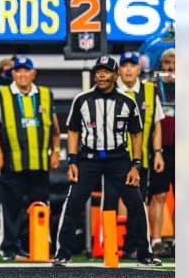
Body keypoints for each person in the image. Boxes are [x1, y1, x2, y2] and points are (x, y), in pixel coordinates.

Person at [53, 56, 161, 267]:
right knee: (73, 202)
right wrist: (72, 161)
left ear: (115, 75)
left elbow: (137, 134)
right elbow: (73, 131)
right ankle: (63, 253)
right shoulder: (82, 100)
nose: (101, 75)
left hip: (119, 159)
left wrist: (136, 165)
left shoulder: (127, 102)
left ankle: (144, 254)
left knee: (136, 204)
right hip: (89, 158)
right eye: (98, 71)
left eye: (106, 71)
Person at [0, 56, 61, 260]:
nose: (22, 74)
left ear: (33, 73)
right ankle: (9, 249)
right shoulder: (3, 94)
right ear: (12, 74)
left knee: (41, 205)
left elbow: (55, 128)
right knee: (11, 207)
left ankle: (40, 247)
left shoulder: (45, 94)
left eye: (26, 70)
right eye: (18, 71)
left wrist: (56, 152)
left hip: (39, 162)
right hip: (12, 162)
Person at [115, 51, 165, 258]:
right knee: (119, 199)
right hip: (114, 158)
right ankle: (120, 243)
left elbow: (157, 124)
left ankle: (137, 243)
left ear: (139, 69)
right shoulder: (109, 90)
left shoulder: (150, 91)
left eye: (132, 65)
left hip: (141, 157)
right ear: (119, 69)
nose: (128, 69)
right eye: (124, 65)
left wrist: (158, 153)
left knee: (139, 200)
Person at [148, 48, 175, 256]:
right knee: (158, 195)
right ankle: (156, 240)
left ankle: (178, 240)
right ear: (160, 66)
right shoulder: (152, 88)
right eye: (167, 63)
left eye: (175, 63)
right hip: (161, 150)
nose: (171, 67)